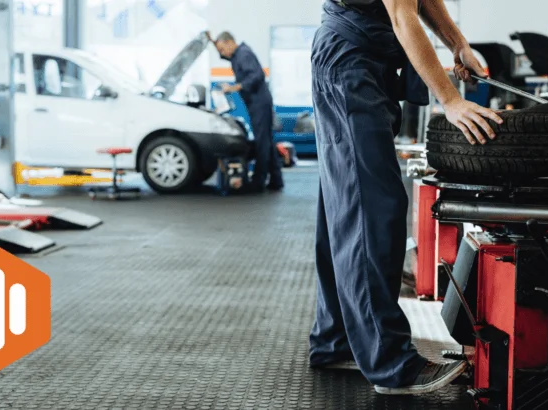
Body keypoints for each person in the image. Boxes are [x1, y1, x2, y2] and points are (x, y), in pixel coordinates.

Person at [309, 0, 504, 395]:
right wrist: (450, 100)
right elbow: (402, 15)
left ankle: (336, 339)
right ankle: (391, 366)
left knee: (345, 202)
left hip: (358, 57)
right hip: (350, 60)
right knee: (372, 210)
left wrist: (457, 42)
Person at [207, 31, 285, 193]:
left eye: (222, 48)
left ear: (229, 42)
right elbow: (226, 56)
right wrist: (212, 42)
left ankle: (258, 181)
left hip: (259, 102)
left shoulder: (244, 54)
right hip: (256, 101)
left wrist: (234, 87)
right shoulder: (236, 55)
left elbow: (258, 75)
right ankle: (276, 180)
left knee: (262, 142)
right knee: (267, 141)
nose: (222, 53)